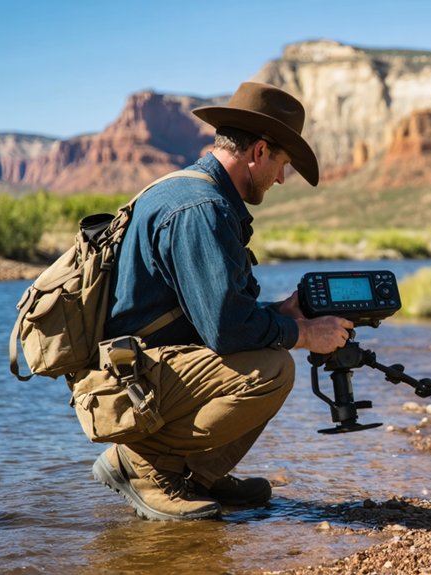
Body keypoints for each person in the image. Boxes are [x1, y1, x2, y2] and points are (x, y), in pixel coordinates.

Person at [81, 81, 353, 521]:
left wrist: (279, 314)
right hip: (131, 383)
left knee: (270, 344)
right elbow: (226, 332)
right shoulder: (199, 209)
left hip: (146, 370)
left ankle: (198, 475)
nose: (281, 178)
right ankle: (144, 467)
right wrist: (304, 333)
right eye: (281, 164)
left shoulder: (194, 194)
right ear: (259, 152)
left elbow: (212, 316)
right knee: (274, 368)